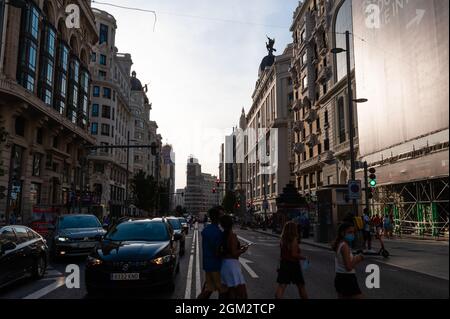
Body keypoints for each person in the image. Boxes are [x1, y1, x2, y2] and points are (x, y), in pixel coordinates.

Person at [197, 206, 227, 299]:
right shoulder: (218, 232)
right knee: (222, 289)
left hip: (207, 264)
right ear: (218, 218)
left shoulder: (206, 230)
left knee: (209, 289)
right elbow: (217, 251)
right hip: (216, 265)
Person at [275, 221, 309, 299]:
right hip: (293, 265)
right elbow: (294, 254)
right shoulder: (294, 239)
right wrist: (304, 258)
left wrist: (279, 265)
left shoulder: (282, 240)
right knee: (301, 285)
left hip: (284, 264)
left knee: (282, 285)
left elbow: (282, 254)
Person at [220, 214, 248, 299]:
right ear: (231, 224)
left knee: (227, 292)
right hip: (232, 266)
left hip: (223, 265)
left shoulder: (221, 235)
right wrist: (243, 250)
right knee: (242, 294)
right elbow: (234, 253)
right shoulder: (232, 236)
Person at [333, 223, 364, 299]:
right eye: (349, 232)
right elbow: (349, 266)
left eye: (353, 232)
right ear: (342, 233)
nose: (352, 235)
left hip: (340, 277)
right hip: (347, 279)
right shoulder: (344, 246)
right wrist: (358, 258)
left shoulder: (340, 244)